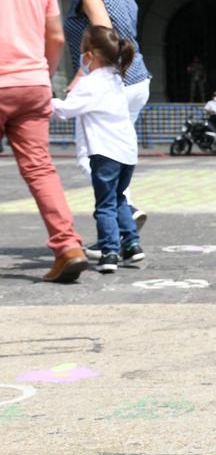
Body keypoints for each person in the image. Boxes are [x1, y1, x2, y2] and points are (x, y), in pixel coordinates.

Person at [0, 0, 87, 282]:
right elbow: (55, 36)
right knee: (40, 169)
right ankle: (68, 246)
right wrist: (43, 75)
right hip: (32, 82)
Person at [65, 0, 150, 259]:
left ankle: (123, 215)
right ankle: (123, 233)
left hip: (110, 82)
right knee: (115, 156)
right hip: (135, 79)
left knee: (94, 160)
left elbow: (102, 31)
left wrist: (80, 77)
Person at [52, 26, 143, 273]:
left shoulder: (90, 83)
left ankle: (110, 251)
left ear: (90, 56)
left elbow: (65, 111)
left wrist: (44, 100)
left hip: (105, 152)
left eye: (82, 51)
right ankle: (133, 244)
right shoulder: (115, 80)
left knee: (104, 204)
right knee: (119, 198)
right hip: (127, 152)